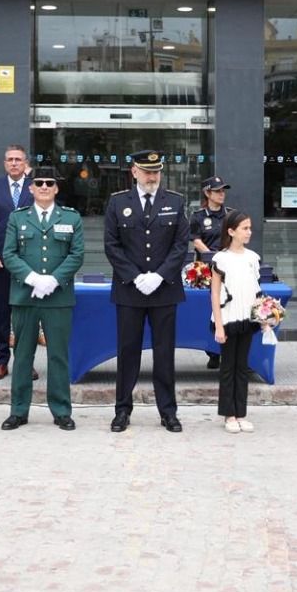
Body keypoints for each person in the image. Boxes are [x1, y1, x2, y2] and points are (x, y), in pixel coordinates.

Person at [104, 149, 190, 434]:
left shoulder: (175, 202)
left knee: (164, 353)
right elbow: (112, 245)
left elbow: (181, 245)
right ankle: (122, 410)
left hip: (164, 290)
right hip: (130, 290)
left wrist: (160, 276)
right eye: (146, 171)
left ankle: (168, 412)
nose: (152, 176)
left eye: (156, 171)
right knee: (127, 352)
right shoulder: (117, 202)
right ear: (134, 172)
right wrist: (135, 276)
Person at [0, 165, 84, 431]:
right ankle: (18, 410)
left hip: (58, 298)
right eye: (40, 183)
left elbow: (76, 254)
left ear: (56, 188)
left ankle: (61, 411)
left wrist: (53, 280)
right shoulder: (17, 217)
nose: (45, 187)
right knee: (22, 354)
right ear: (31, 188)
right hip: (25, 296)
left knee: (58, 356)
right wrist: (34, 279)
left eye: (50, 183)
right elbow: (9, 254)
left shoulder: (71, 218)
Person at [0, 144, 33, 380]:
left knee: (26, 315)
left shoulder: (36, 188)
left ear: (25, 164)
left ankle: (25, 362)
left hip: (28, 263)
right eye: (10, 159)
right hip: (0, 261)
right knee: (3, 314)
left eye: (18, 160)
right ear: (5, 163)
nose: (13, 163)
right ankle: (2, 361)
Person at [211, 210, 261, 433]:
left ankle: (241, 412)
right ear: (231, 231)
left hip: (246, 318)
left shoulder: (252, 258)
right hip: (228, 318)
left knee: (243, 366)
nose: (248, 232)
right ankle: (228, 414)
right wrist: (219, 326)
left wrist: (264, 316)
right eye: (244, 228)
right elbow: (214, 294)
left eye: (250, 228)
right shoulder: (221, 259)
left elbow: (256, 290)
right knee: (228, 367)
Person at [189, 175, 231, 369]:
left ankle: (227, 350)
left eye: (223, 191)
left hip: (228, 268)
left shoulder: (230, 215)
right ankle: (212, 351)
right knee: (208, 310)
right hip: (206, 269)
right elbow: (195, 239)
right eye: (217, 191)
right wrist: (211, 255)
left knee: (227, 307)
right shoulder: (198, 216)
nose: (221, 194)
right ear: (207, 193)